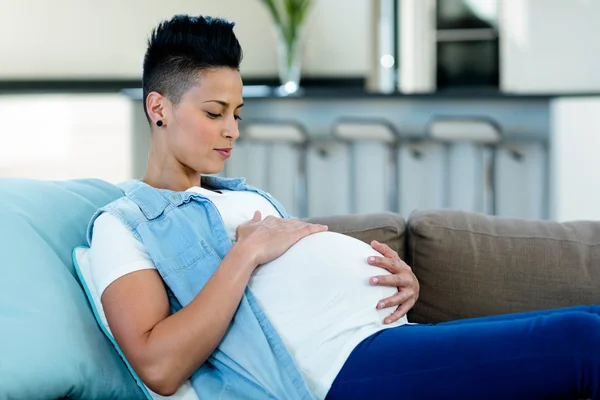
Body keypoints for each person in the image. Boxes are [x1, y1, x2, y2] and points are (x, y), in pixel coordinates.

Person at [86, 14, 600, 400]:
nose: (233, 131)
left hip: (390, 338)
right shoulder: (125, 225)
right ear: (159, 108)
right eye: (215, 113)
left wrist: (403, 286)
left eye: (238, 114)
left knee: (590, 316)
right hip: (337, 368)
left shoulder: (240, 195)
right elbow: (157, 364)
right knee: (582, 339)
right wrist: (245, 255)